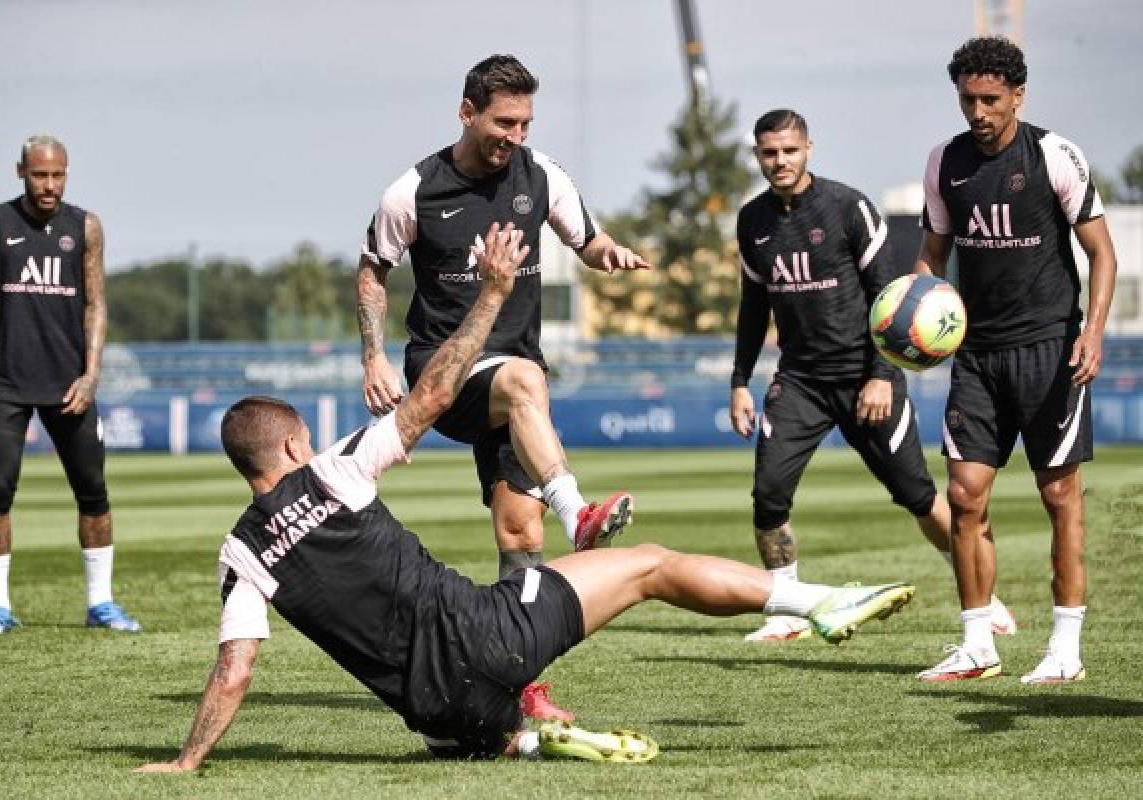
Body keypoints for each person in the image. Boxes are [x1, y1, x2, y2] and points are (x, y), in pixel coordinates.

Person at [134, 223, 916, 770]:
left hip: (441, 714)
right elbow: (434, 394)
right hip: (491, 638)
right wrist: (492, 296)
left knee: (463, 718)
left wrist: (184, 761)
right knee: (647, 564)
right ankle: (811, 601)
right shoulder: (333, 469)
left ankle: (529, 736)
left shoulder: (239, 556)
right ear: (295, 447)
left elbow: (235, 670)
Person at [357, 54, 650, 719]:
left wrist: (610, 255)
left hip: (518, 385)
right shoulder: (413, 191)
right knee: (523, 379)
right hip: (446, 371)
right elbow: (373, 269)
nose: (515, 135)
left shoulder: (541, 175)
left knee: (519, 532)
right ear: (468, 112)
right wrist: (373, 356)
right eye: (503, 121)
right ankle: (578, 512)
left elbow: (589, 240)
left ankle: (520, 683)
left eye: (525, 122)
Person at [730, 110, 1015, 642]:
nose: (780, 162)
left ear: (809, 148)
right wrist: (739, 380)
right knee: (769, 494)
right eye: (769, 153)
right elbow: (752, 306)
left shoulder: (847, 207)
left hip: (867, 378)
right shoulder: (752, 221)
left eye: (789, 151)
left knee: (918, 496)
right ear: (758, 155)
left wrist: (882, 374)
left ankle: (984, 595)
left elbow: (893, 292)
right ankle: (788, 611)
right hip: (800, 382)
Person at [913, 37, 1116, 684]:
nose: (979, 111)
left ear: (1018, 96)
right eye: (969, 99)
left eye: (991, 100)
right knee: (965, 495)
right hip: (977, 357)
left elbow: (1102, 255)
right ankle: (977, 644)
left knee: (1060, 497)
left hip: (1052, 350)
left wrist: (1094, 332)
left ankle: (1065, 649)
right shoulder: (945, 162)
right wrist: (918, 315)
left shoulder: (1054, 155)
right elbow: (931, 256)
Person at [0, 135, 140, 636]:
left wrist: (91, 374)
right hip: (3, 384)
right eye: (39, 175)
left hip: (69, 385)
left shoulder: (86, 227)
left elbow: (96, 303)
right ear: (21, 172)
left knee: (93, 492)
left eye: (57, 175)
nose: (49, 185)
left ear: (67, 174)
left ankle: (101, 604)